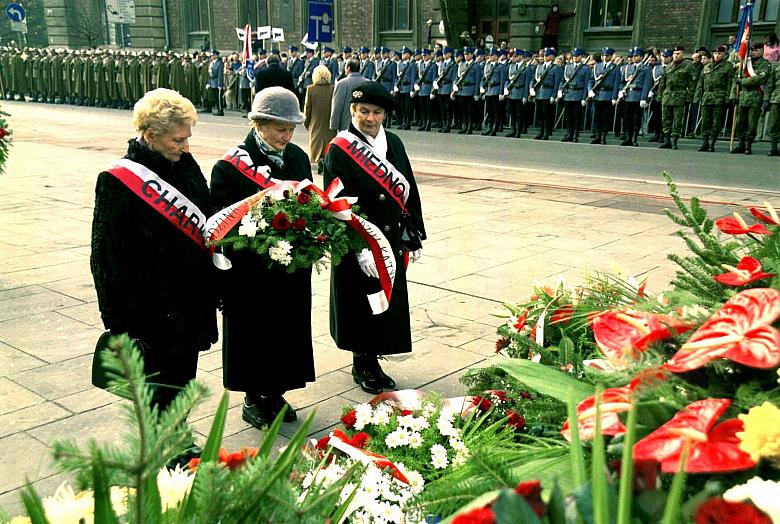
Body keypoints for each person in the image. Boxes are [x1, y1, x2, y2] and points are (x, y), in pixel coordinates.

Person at [90, 88, 218, 411]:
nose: (186, 147)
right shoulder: (118, 180)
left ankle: (178, 438)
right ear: (150, 135)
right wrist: (116, 321)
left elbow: (205, 214)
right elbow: (104, 255)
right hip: (148, 310)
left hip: (188, 302)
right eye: (177, 140)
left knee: (184, 380)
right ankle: (160, 450)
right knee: (154, 390)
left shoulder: (185, 164)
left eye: (187, 138)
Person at [209, 87, 315, 428]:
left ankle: (277, 391)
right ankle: (253, 398)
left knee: (287, 332)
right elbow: (223, 223)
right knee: (255, 334)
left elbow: (311, 204)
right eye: (279, 128)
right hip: (251, 272)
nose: (287, 135)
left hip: (290, 266)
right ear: (258, 123)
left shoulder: (298, 157)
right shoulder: (229, 167)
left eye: (291, 128)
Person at [323, 81, 426, 394]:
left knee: (385, 301)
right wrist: (358, 245)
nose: (369, 118)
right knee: (361, 303)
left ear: (385, 115)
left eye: (376, 112)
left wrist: (415, 232)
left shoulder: (393, 143)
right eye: (363, 111)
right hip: (360, 240)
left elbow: (408, 188)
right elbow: (337, 201)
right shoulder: (340, 148)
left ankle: (375, 357)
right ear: (353, 110)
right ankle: (362, 364)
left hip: (391, 237)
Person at [730, 42, 771, 155]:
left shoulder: (765, 64)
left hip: (755, 97)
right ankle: (741, 144)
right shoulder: (744, 63)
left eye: (756, 50)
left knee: (752, 123)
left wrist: (743, 82)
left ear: (762, 51)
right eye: (751, 50)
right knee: (740, 122)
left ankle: (748, 145)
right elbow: (735, 79)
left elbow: (759, 79)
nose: (753, 52)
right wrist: (733, 95)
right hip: (742, 97)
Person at [693, 45, 734, 152]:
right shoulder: (707, 67)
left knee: (716, 122)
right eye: (715, 53)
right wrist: (697, 96)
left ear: (724, 55)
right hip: (707, 97)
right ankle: (705, 142)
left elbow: (730, 84)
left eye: (719, 53)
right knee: (705, 121)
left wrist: (729, 98)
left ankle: (712, 143)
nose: (717, 55)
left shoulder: (728, 67)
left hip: (719, 98)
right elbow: (700, 83)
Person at [657, 46, 694, 150]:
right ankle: (667, 140)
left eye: (678, 53)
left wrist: (689, 98)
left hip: (679, 96)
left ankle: (674, 140)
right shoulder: (668, 66)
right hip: (667, 96)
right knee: (666, 120)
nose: (676, 55)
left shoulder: (688, 66)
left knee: (677, 121)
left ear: (682, 54)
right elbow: (662, 83)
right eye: (674, 53)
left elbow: (692, 83)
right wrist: (660, 95)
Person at [305, 65, 336, 164]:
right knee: (329, 140)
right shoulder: (332, 89)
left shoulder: (310, 89)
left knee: (315, 141)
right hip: (329, 120)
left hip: (315, 120)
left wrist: (306, 121)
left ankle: (316, 159)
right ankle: (327, 159)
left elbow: (307, 107)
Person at [531, 47, 563, 140]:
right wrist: (531, 88)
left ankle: (546, 132)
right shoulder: (540, 67)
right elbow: (534, 79)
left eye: (547, 55)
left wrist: (554, 95)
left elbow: (557, 82)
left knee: (547, 114)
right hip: (539, 93)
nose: (545, 57)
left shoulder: (556, 68)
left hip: (548, 92)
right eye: (544, 55)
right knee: (540, 114)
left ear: (552, 56)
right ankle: (540, 131)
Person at [330, 58, 365, 131]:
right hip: (364, 123)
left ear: (348, 68)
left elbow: (337, 106)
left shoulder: (342, 83)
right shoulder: (368, 83)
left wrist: (334, 125)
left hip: (346, 124)